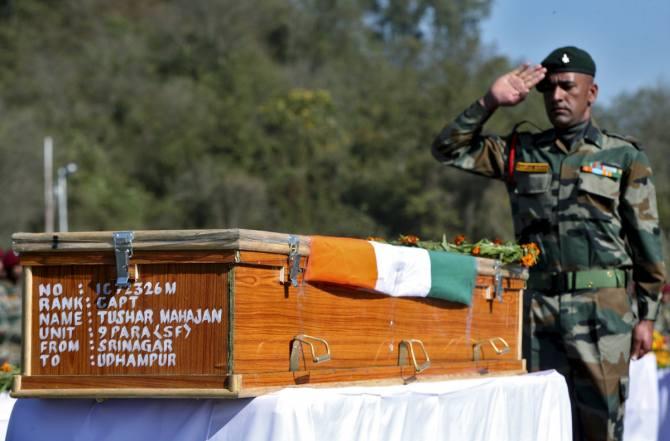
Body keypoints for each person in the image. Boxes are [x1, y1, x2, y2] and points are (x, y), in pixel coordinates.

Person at [431, 46, 665, 441]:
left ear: (591, 93)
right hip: (538, 314)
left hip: (602, 312)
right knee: (540, 425)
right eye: (550, 88)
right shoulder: (521, 151)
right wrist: (490, 101)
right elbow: (448, 149)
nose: (557, 96)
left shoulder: (623, 155)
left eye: (568, 87)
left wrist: (647, 316)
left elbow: (646, 239)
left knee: (601, 426)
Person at [0, 250, 22, 366]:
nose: (19, 269)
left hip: (17, 350)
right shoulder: (3, 290)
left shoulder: (19, 288)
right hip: (6, 351)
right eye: (16, 266)